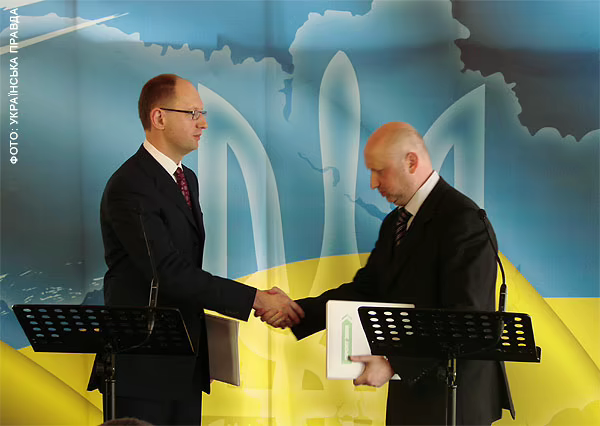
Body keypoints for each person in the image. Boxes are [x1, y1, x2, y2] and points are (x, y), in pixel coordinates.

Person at [261, 122, 514, 425]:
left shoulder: (464, 221)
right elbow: (367, 290)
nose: (372, 183)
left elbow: (467, 318)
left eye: (379, 171)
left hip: (455, 397)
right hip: (412, 390)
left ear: (411, 162)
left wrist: (393, 364)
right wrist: (298, 312)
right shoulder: (396, 222)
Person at [89, 74, 304, 425]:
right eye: (192, 113)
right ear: (159, 118)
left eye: (202, 113)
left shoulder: (186, 178)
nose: (203, 123)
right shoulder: (131, 185)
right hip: (144, 365)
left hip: (184, 362)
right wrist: (256, 299)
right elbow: (168, 272)